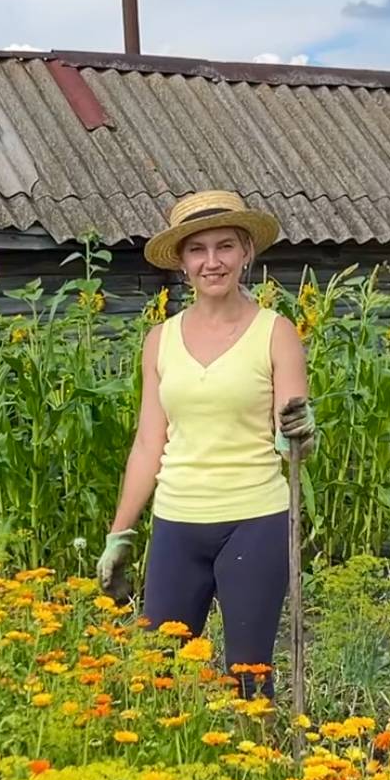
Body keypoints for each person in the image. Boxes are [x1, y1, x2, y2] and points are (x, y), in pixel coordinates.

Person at [95, 190, 316, 697]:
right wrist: (119, 533)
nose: (211, 262)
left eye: (225, 247)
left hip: (255, 519)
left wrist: (301, 434)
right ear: (181, 261)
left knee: (249, 679)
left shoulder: (276, 333)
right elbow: (148, 442)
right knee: (160, 674)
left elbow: (291, 438)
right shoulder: (160, 340)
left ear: (246, 253)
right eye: (197, 250)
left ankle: (258, 750)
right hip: (177, 521)